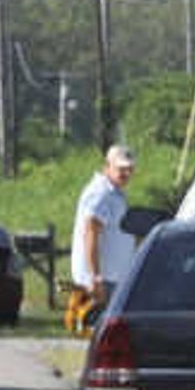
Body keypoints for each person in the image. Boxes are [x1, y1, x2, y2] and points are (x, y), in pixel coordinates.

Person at [68, 142, 137, 332]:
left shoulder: (113, 192)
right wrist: (95, 276)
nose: (126, 174)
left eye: (130, 169)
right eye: (121, 169)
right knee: (99, 335)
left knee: (106, 334)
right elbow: (90, 233)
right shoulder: (101, 193)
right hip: (101, 280)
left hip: (110, 277)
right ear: (107, 166)